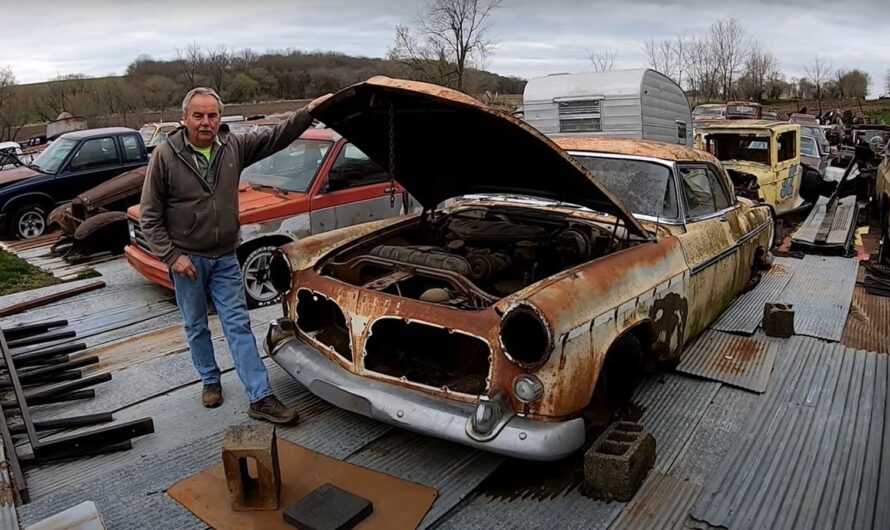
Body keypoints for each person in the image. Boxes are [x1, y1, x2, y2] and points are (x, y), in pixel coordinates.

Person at [140, 87, 330, 423]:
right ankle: (210, 379)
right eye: (198, 115)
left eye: (212, 115)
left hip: (226, 257)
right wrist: (172, 257)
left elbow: (277, 137)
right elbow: (149, 216)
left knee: (238, 325)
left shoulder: (233, 146)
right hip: (188, 262)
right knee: (196, 325)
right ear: (184, 118)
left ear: (219, 118)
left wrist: (310, 110)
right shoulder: (166, 156)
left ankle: (260, 396)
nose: (205, 122)